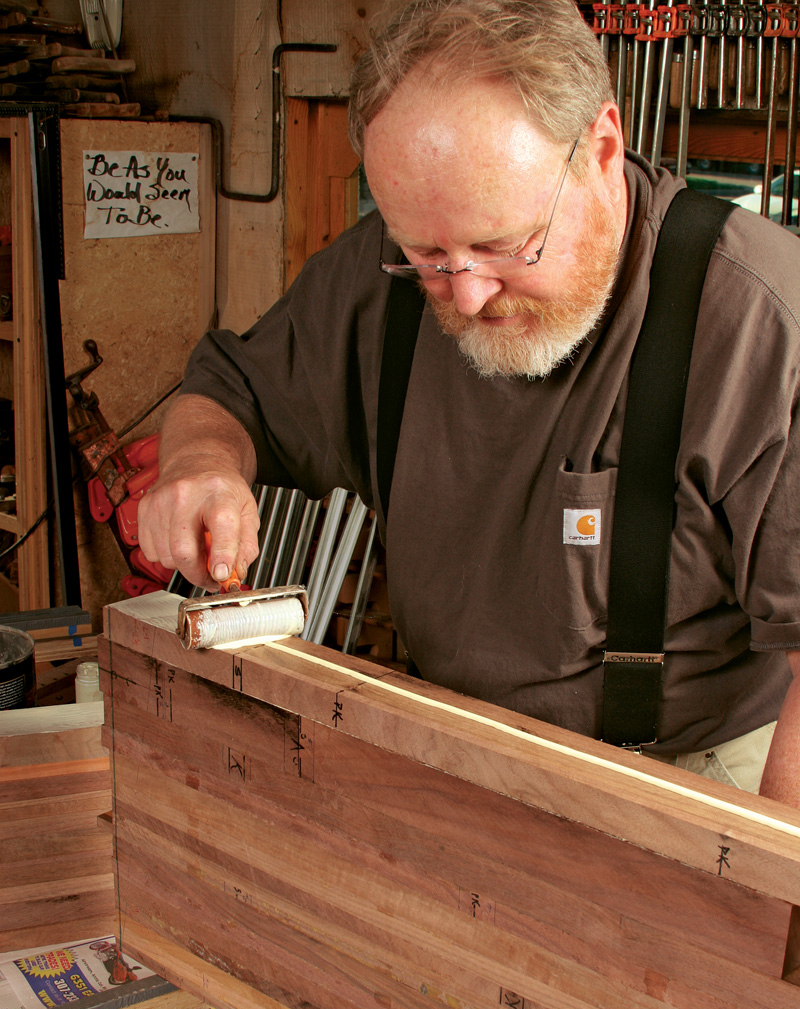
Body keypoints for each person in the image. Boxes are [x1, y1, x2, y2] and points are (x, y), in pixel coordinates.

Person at [138, 0, 800, 804]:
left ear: (600, 149)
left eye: (504, 245)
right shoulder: (382, 285)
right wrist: (202, 462)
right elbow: (229, 391)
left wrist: (766, 896)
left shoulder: (761, 321)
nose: (471, 293)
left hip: (685, 773)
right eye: (427, 253)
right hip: (448, 740)